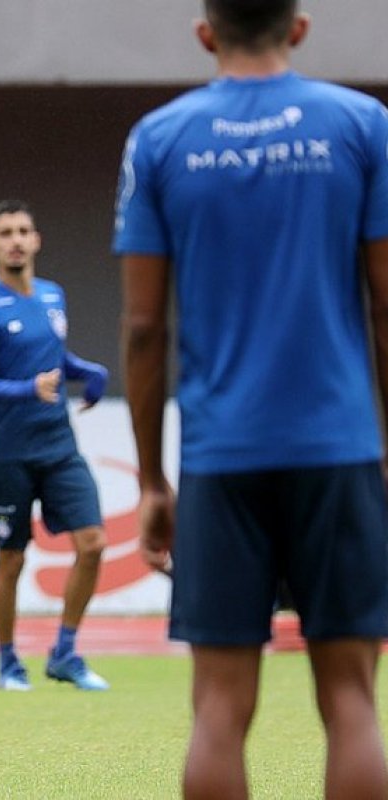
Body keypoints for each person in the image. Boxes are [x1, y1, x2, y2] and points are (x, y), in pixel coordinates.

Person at [115, 2, 388, 797]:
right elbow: (385, 309)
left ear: (206, 33)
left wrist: (152, 480)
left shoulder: (160, 138)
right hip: (339, 450)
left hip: (221, 457)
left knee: (220, 709)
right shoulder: (364, 125)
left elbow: (141, 328)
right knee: (352, 702)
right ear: (298, 27)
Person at [0, 199, 110, 692]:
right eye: (6, 233)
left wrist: (87, 372)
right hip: (7, 450)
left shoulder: (52, 296)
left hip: (58, 445)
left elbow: (52, 358)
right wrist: (28, 389)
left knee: (93, 544)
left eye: (24, 230)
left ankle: (65, 652)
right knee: (13, 557)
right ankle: (8, 663)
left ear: (37, 240)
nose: (17, 240)